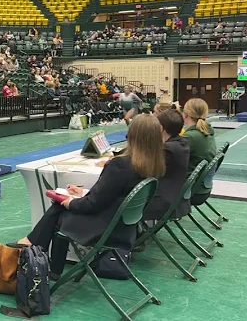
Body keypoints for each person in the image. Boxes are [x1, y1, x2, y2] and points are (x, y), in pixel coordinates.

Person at [16, 115, 166, 277]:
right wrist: (82, 193)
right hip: (124, 225)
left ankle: (41, 256)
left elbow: (92, 204)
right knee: (59, 207)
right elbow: (113, 195)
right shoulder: (154, 166)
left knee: (59, 210)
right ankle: (36, 248)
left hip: (105, 226)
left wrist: (69, 202)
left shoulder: (120, 165)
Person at [143, 109, 190, 221]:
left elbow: (145, 170)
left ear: (160, 128)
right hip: (177, 199)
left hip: (163, 203)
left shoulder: (167, 149)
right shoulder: (183, 143)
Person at [181, 98, 217, 205]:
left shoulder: (190, 137)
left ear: (185, 115)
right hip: (203, 188)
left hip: (191, 191)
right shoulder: (208, 132)